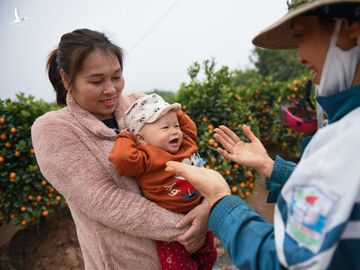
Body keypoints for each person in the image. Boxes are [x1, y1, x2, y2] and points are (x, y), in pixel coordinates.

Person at [165, 0, 360, 269]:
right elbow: (343, 194)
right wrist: (270, 167)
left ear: (351, 26)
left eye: (301, 34)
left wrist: (221, 200)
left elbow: (284, 262)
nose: (300, 57)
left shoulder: (346, 140)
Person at [31, 28, 211, 269]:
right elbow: (104, 200)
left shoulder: (140, 105)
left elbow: (186, 155)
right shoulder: (53, 129)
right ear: (66, 79)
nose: (111, 89)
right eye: (96, 81)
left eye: (116, 77)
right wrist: (187, 226)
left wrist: (207, 205)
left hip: (186, 254)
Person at [108, 93, 217, 270]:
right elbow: (121, 158)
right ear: (142, 139)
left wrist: (175, 113)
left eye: (175, 125)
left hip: (199, 211)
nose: (174, 130)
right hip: (170, 229)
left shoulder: (186, 143)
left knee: (209, 256)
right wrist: (126, 136)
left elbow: (188, 127)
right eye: (165, 127)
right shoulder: (145, 157)